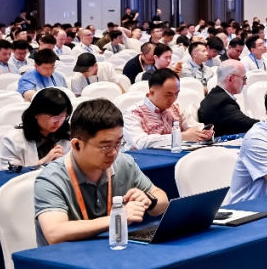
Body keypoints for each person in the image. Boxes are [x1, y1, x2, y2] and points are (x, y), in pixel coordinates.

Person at [34, 99, 170, 246]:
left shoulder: (124, 163)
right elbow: (55, 233)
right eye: (105, 147)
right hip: (67, 257)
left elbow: (162, 201)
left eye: (118, 143)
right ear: (77, 145)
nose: (114, 152)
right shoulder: (51, 178)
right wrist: (118, 217)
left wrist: (149, 199)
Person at [123, 68, 212, 149]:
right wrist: (180, 137)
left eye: (176, 94)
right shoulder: (132, 113)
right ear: (152, 92)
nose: (173, 99)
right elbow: (140, 142)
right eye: (168, 95)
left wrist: (203, 133)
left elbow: (194, 127)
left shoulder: (176, 108)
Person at [0, 88, 72, 168]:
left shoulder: (70, 134)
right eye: (54, 117)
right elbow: (9, 173)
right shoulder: (13, 140)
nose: (58, 122)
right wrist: (43, 162)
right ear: (36, 113)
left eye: (63, 117)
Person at [197, 60, 259, 137]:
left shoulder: (216, 96)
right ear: (230, 79)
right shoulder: (222, 102)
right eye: (244, 78)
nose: (245, 83)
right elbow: (246, 124)